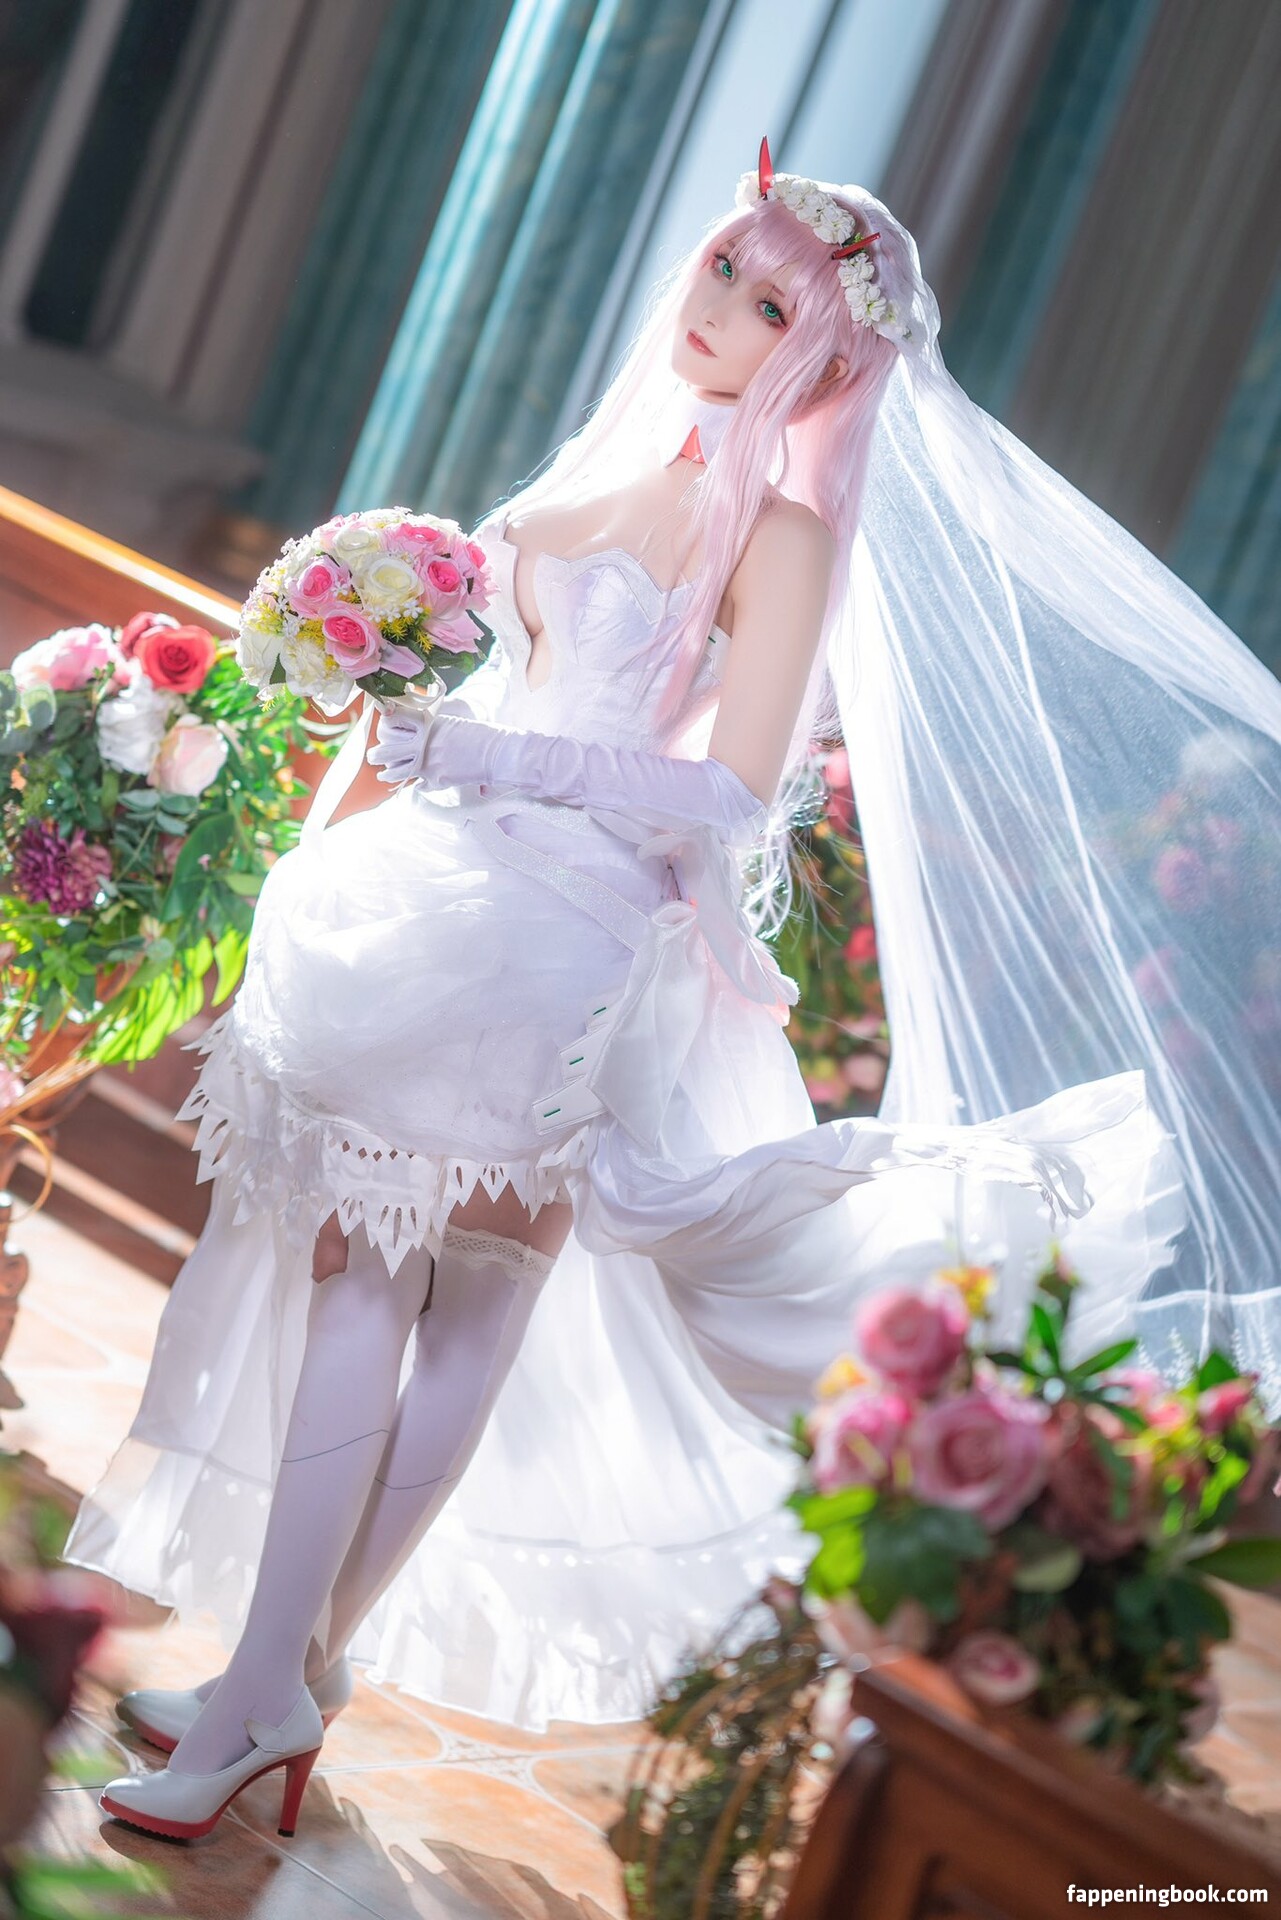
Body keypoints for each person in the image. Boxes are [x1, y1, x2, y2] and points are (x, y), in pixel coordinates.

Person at [69, 139, 1278, 1841]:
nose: (719, 308)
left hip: (557, 939)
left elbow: (732, 788)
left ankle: (268, 1686)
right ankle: (287, 1680)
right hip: (459, 887)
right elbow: (517, 678)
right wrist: (390, 670)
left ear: (825, 362)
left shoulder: (779, 532)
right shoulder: (620, 467)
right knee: (430, 1292)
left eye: (771, 305)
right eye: (723, 267)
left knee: (393, 1281)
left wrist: (488, 751)